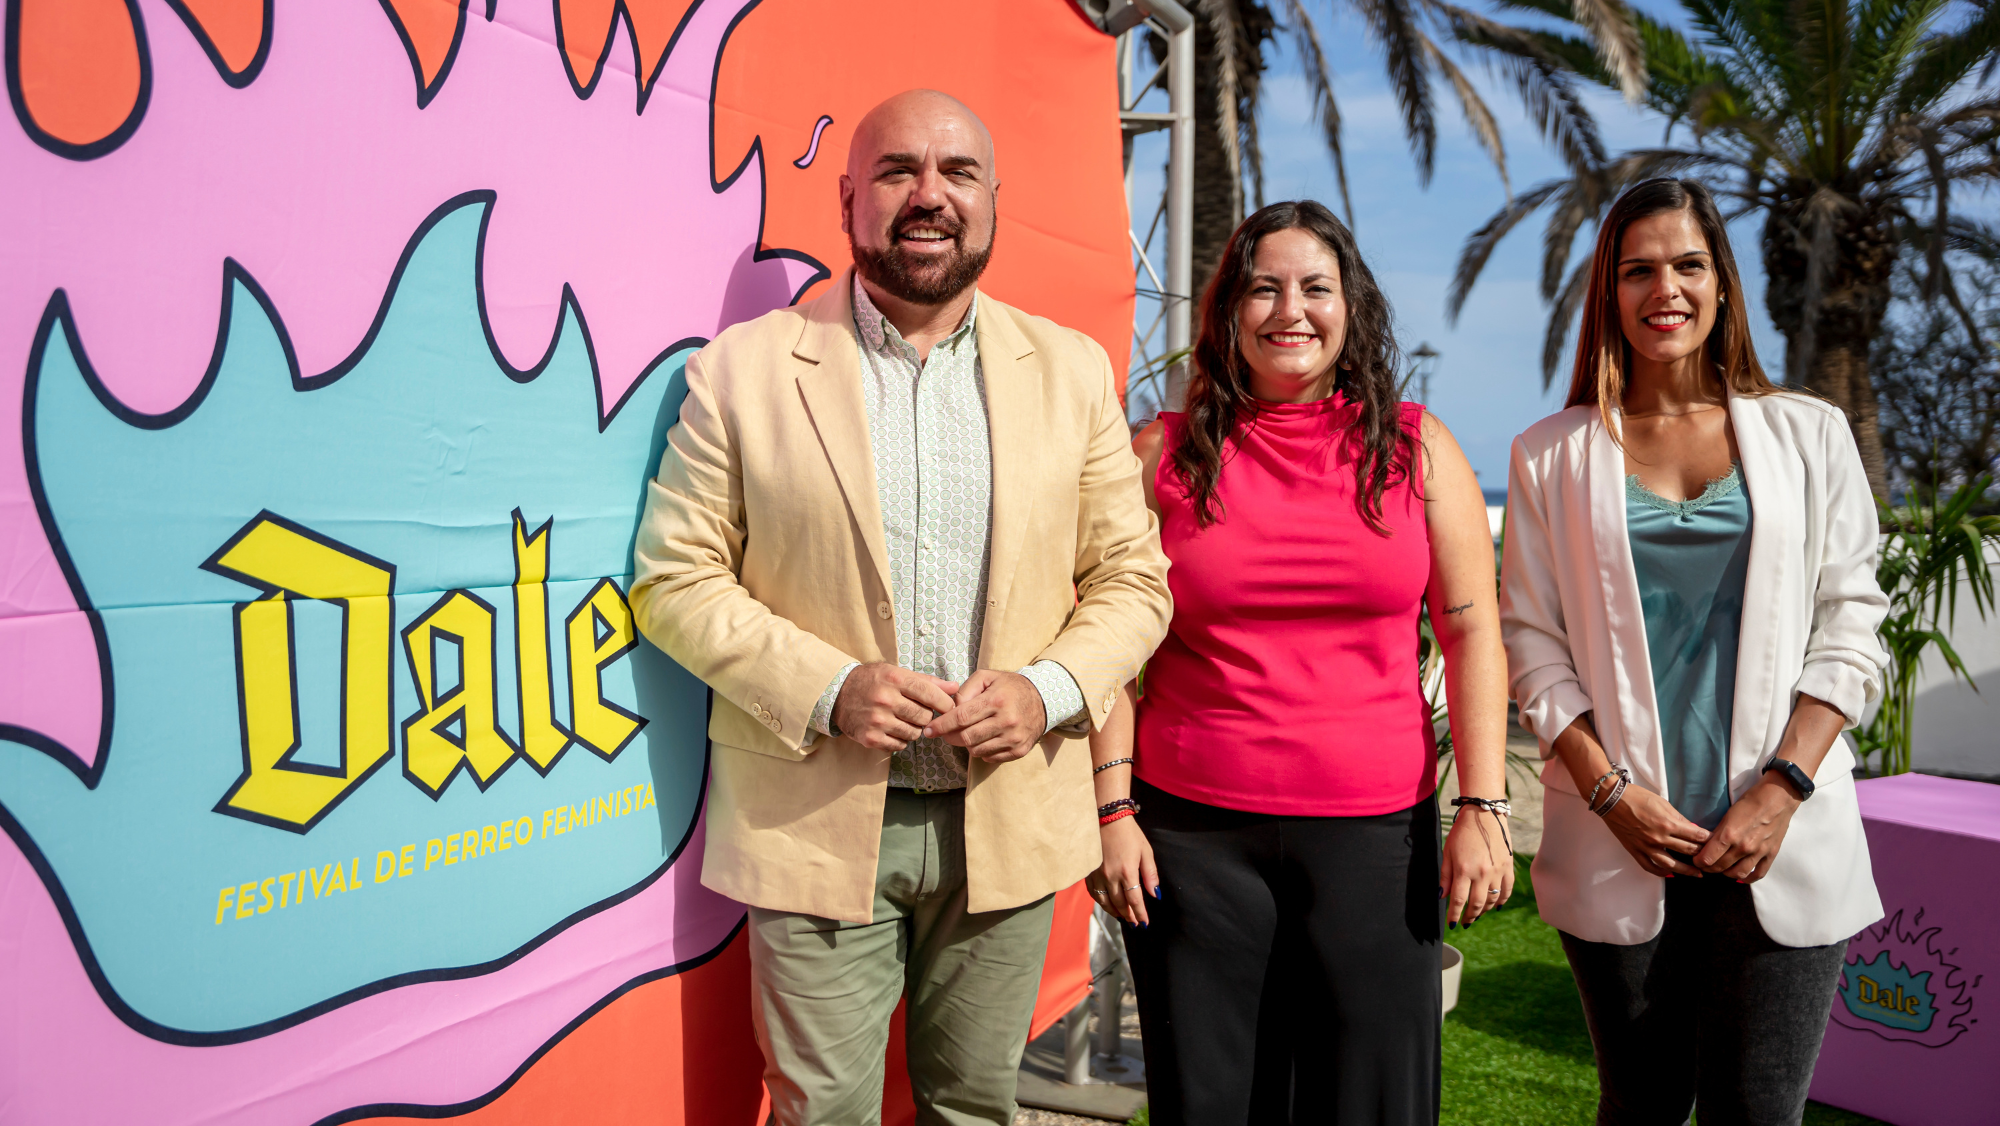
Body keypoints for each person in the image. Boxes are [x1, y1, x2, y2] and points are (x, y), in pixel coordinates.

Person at [628, 90, 1172, 1126]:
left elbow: (1132, 581)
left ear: (994, 201)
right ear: (847, 200)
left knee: (973, 1106)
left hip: (1006, 819)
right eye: (897, 172)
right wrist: (829, 687)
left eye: (957, 172)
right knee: (819, 1109)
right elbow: (673, 575)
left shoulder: (1069, 371)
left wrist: (1046, 688)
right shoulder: (742, 370)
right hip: (814, 813)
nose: (929, 196)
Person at [1087, 200, 1514, 1126]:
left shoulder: (1416, 447)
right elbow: (1112, 649)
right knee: (1211, 1106)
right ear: (1228, 313)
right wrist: (1113, 810)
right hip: (1191, 843)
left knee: (1373, 1104)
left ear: (1350, 306)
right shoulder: (1158, 454)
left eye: (1316, 287)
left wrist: (1482, 805)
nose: (1291, 310)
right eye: (1263, 288)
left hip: (1377, 839)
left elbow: (1475, 633)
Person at [1499, 177, 1888, 1125]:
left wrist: (1780, 788)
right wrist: (1610, 795)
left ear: (1721, 284)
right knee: (1638, 1106)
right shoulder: (1549, 454)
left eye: (1686, 264)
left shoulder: (1810, 433)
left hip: (1780, 836)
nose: (1662, 289)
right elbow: (1532, 645)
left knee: (1759, 1113)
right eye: (1637, 270)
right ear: (1608, 291)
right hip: (1618, 837)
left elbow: (1852, 622)